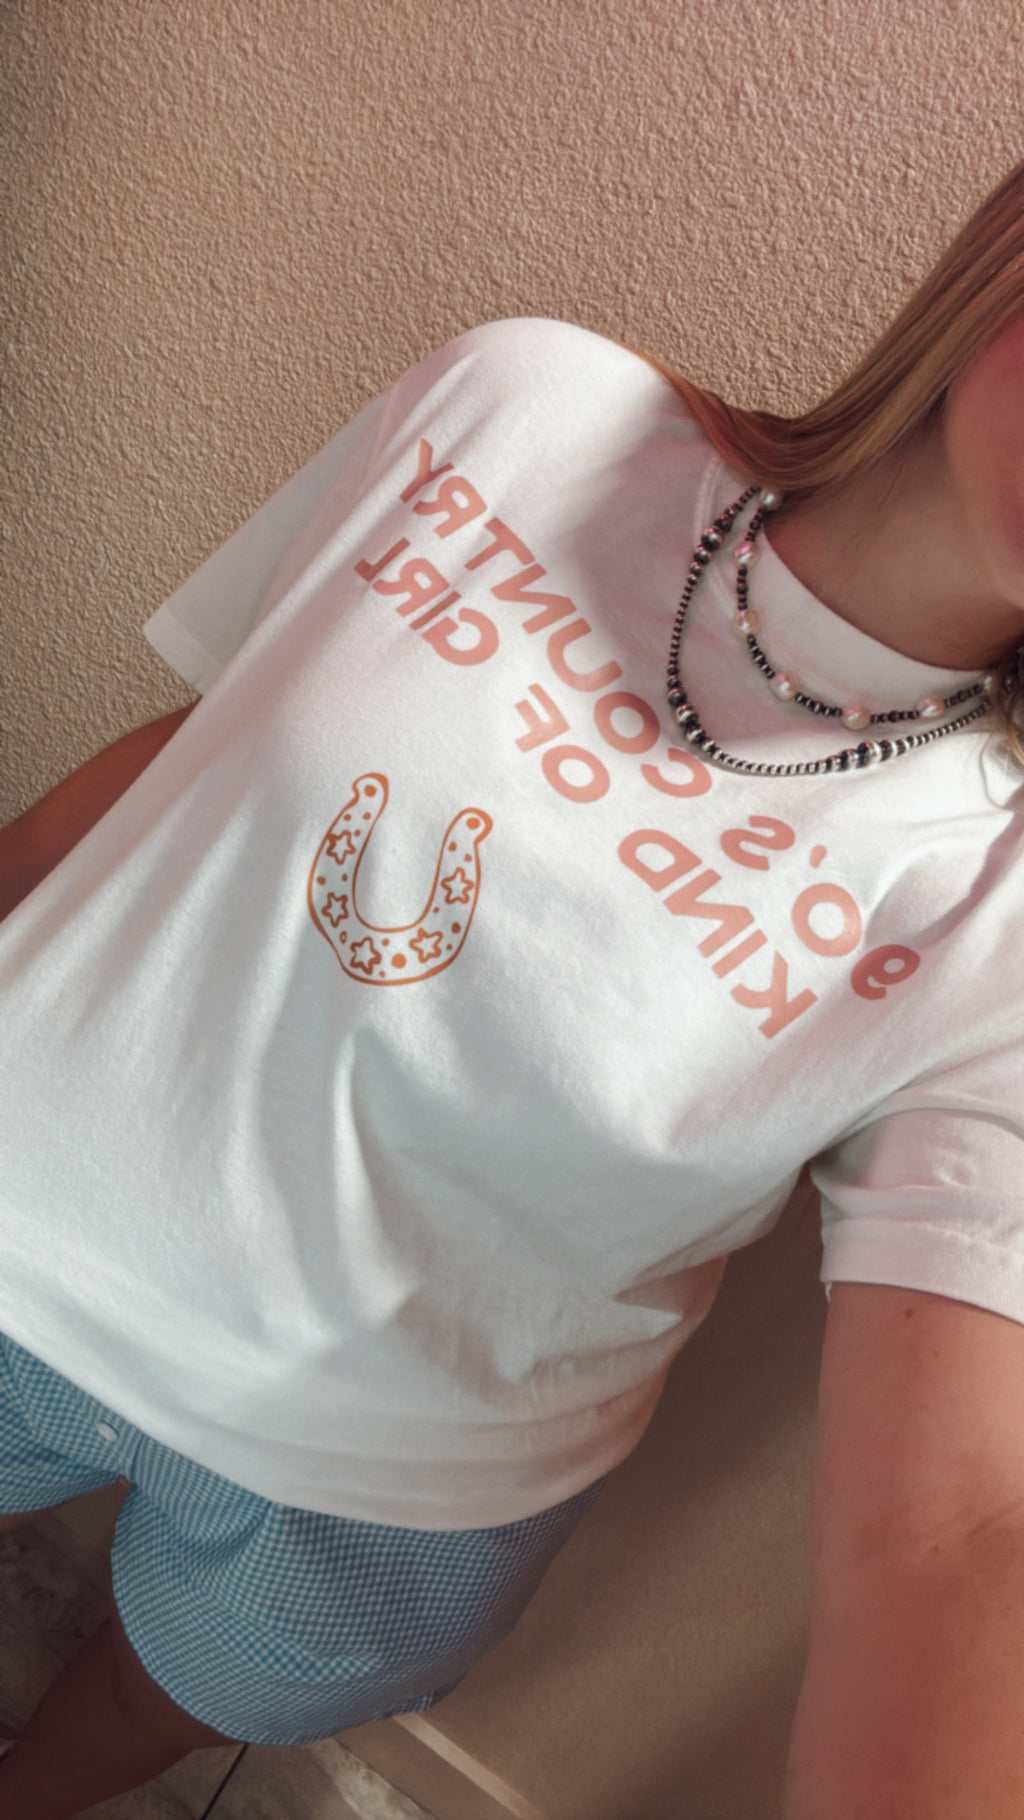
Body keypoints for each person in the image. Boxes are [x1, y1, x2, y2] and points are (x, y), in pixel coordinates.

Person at [1, 157, 1024, 1820]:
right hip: (24, 1225)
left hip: (395, 1497)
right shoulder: (529, 408)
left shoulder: (1004, 905)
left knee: (152, 1704)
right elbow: (201, 761)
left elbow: (962, 1528)